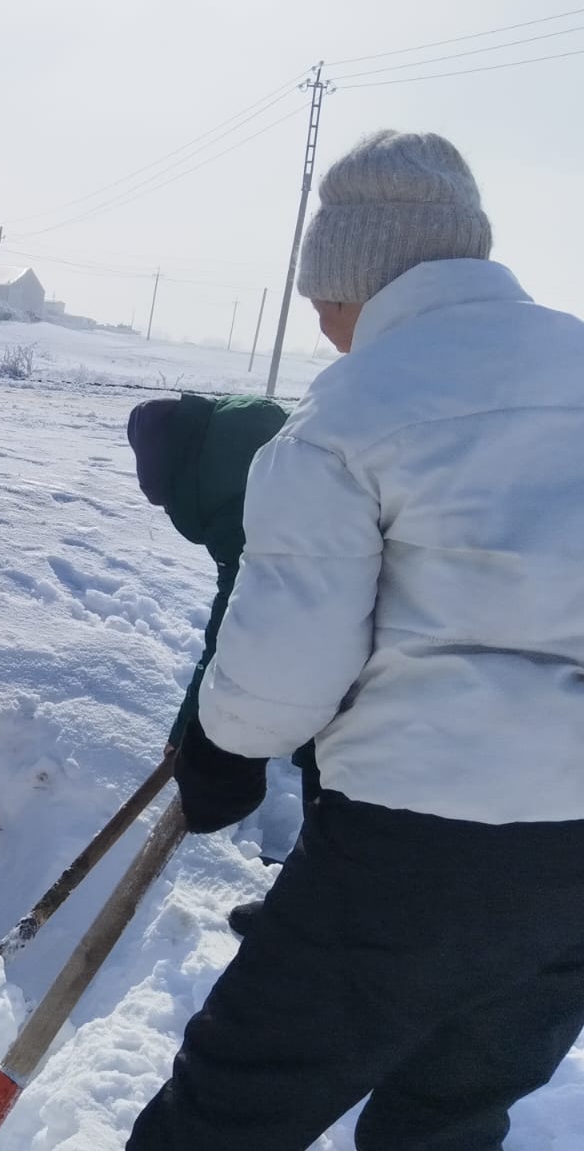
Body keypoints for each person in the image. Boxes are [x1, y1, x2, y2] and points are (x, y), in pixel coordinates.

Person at [127, 131, 584, 1150]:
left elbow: (293, 651)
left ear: (358, 279)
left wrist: (224, 750)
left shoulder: (351, 410)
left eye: (323, 301)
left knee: (231, 1108)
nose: (325, 327)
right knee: (451, 1111)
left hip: (418, 842)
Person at [126, 394, 318, 935]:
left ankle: (314, 910)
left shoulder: (241, 503)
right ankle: (310, 892)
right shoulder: (256, 449)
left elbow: (240, 628)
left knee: (338, 767)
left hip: (370, 660)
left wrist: (198, 729)